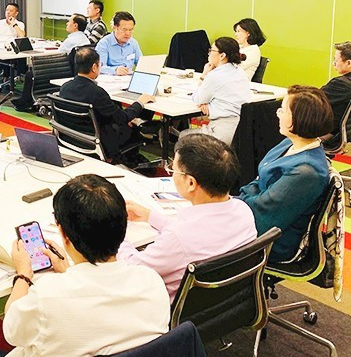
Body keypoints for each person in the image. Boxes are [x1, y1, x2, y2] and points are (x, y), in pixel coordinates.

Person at [0, 175, 169, 357]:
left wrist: (23, 275)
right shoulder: (151, 282)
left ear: (63, 234)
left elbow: (11, 330)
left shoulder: (49, 295)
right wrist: (70, 271)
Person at [118, 134, 257, 301]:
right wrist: (150, 216)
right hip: (226, 303)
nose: (171, 174)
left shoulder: (177, 238)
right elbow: (200, 234)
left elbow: (132, 270)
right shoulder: (243, 211)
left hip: (167, 309)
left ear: (191, 183)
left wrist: (116, 234)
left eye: (173, 169)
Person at [239, 85, 333, 263]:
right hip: (257, 215)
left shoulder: (306, 172)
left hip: (271, 242)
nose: (277, 114)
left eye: (282, 110)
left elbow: (263, 219)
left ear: (299, 118)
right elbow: (258, 181)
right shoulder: (289, 144)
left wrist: (232, 203)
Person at [59, 47, 154, 164]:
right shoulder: (97, 93)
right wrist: (140, 102)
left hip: (72, 138)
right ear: (94, 67)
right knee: (131, 126)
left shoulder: (65, 88)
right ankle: (132, 161)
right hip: (100, 141)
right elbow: (122, 118)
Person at [10, 13, 90, 112]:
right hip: (75, 71)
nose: (66, 23)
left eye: (69, 21)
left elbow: (59, 55)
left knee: (30, 73)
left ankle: (26, 102)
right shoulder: (85, 39)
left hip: (64, 70)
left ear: (75, 25)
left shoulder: (71, 40)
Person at [187, 37, 252, 145]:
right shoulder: (240, 71)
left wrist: (204, 75)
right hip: (241, 130)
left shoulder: (214, 75)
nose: (209, 53)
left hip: (221, 132)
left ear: (222, 56)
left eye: (211, 50)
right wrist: (211, 105)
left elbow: (197, 99)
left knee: (184, 136)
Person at [321, 41, 351, 136]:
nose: (334, 63)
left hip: (331, 132)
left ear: (348, 63)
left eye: (336, 60)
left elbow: (314, 100)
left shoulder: (341, 84)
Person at [94, 11, 143, 75]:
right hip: (110, 78)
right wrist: (115, 70)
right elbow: (98, 67)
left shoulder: (133, 43)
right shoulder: (104, 44)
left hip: (128, 77)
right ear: (114, 28)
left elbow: (141, 64)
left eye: (130, 30)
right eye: (124, 30)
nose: (128, 33)